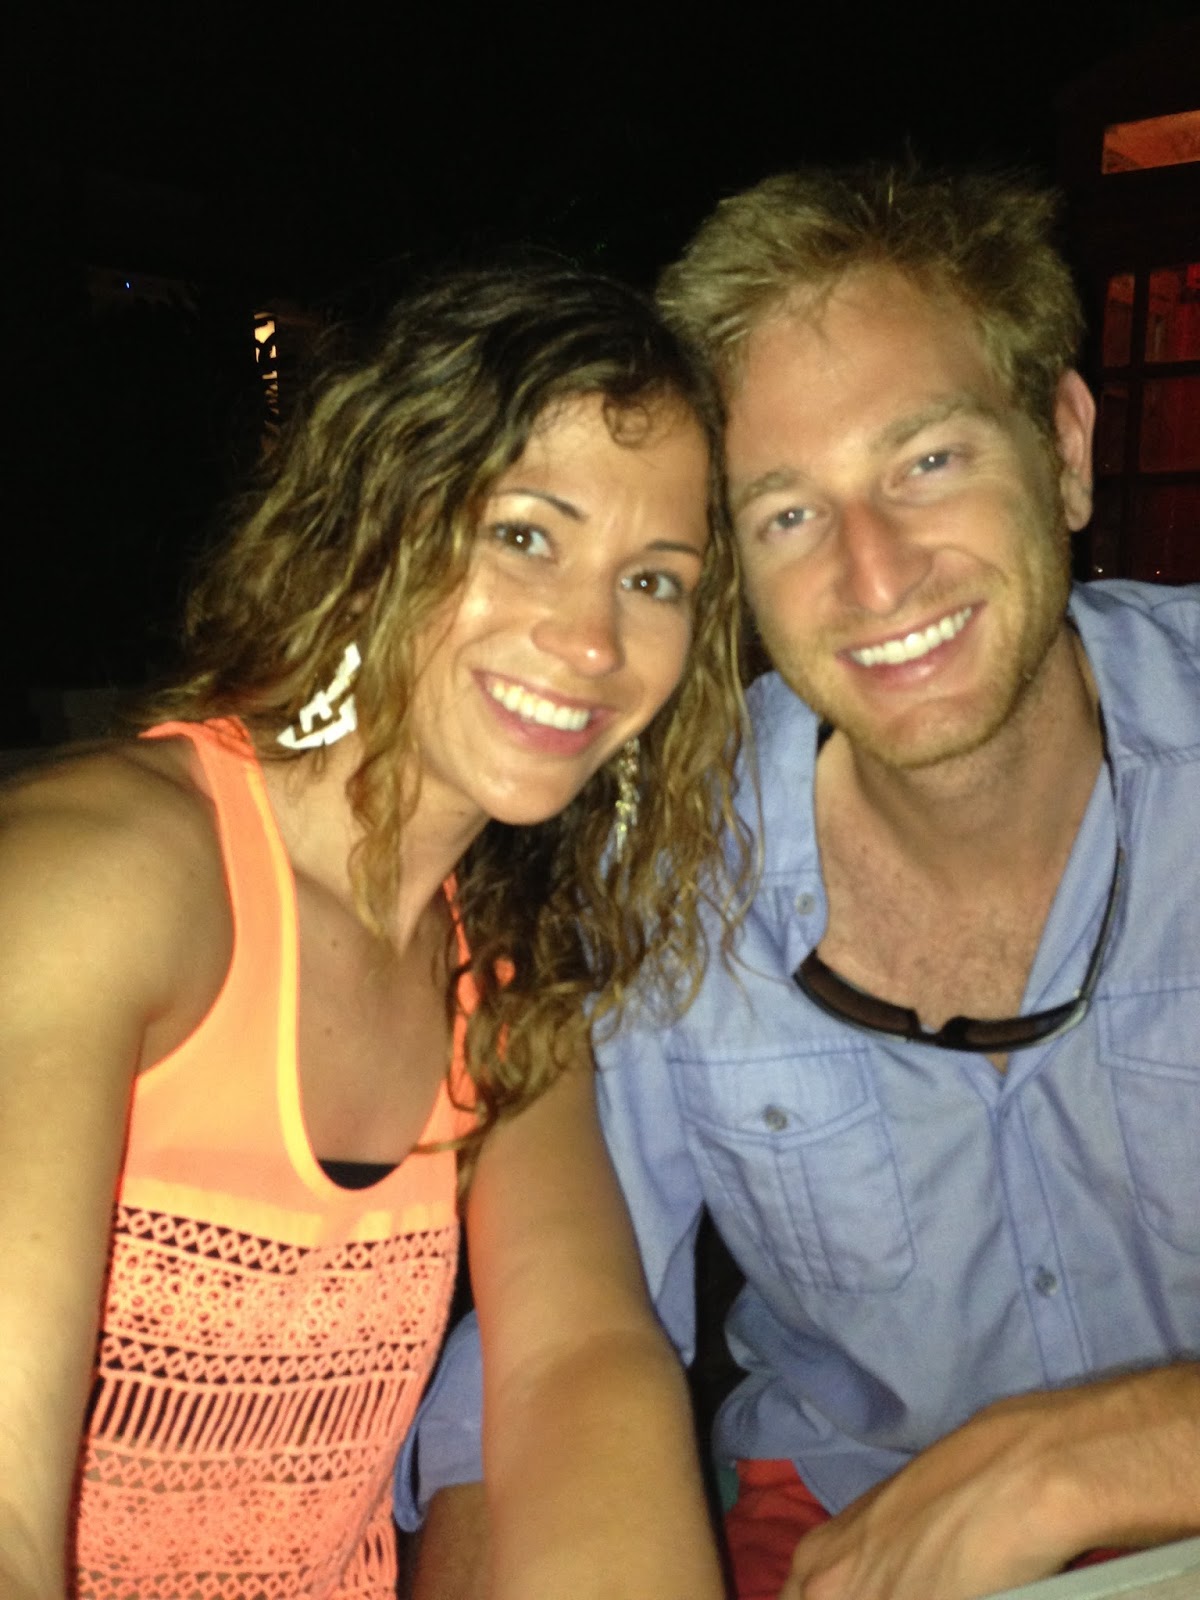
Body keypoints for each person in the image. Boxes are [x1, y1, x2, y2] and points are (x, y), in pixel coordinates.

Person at [407, 168, 1200, 1600]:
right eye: (786, 514)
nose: (874, 576)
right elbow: (551, 1347)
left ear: (1067, 449)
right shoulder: (667, 869)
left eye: (929, 461)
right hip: (845, 1531)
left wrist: (1089, 1460)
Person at [0, 263, 748, 1600]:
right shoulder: (104, 876)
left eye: (654, 579)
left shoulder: (499, 968)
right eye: (527, 535)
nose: (592, 639)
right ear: (374, 525)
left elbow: (578, 1360)